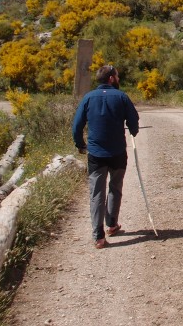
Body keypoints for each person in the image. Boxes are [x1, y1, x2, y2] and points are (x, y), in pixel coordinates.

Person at [72, 65, 139, 249]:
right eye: (117, 76)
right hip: (117, 153)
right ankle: (111, 225)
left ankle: (98, 237)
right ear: (111, 78)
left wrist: (80, 144)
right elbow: (134, 121)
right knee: (115, 188)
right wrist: (133, 130)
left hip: (96, 155)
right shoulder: (122, 97)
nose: (118, 79)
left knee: (96, 194)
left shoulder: (88, 98)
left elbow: (77, 125)